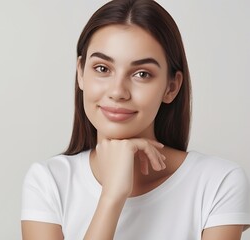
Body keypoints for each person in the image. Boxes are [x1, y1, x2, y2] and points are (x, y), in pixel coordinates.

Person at [20, 0, 250, 239]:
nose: (118, 91)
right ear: (80, 73)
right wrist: (112, 197)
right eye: (102, 69)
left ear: (171, 87)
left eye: (142, 74)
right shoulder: (48, 181)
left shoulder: (218, 182)